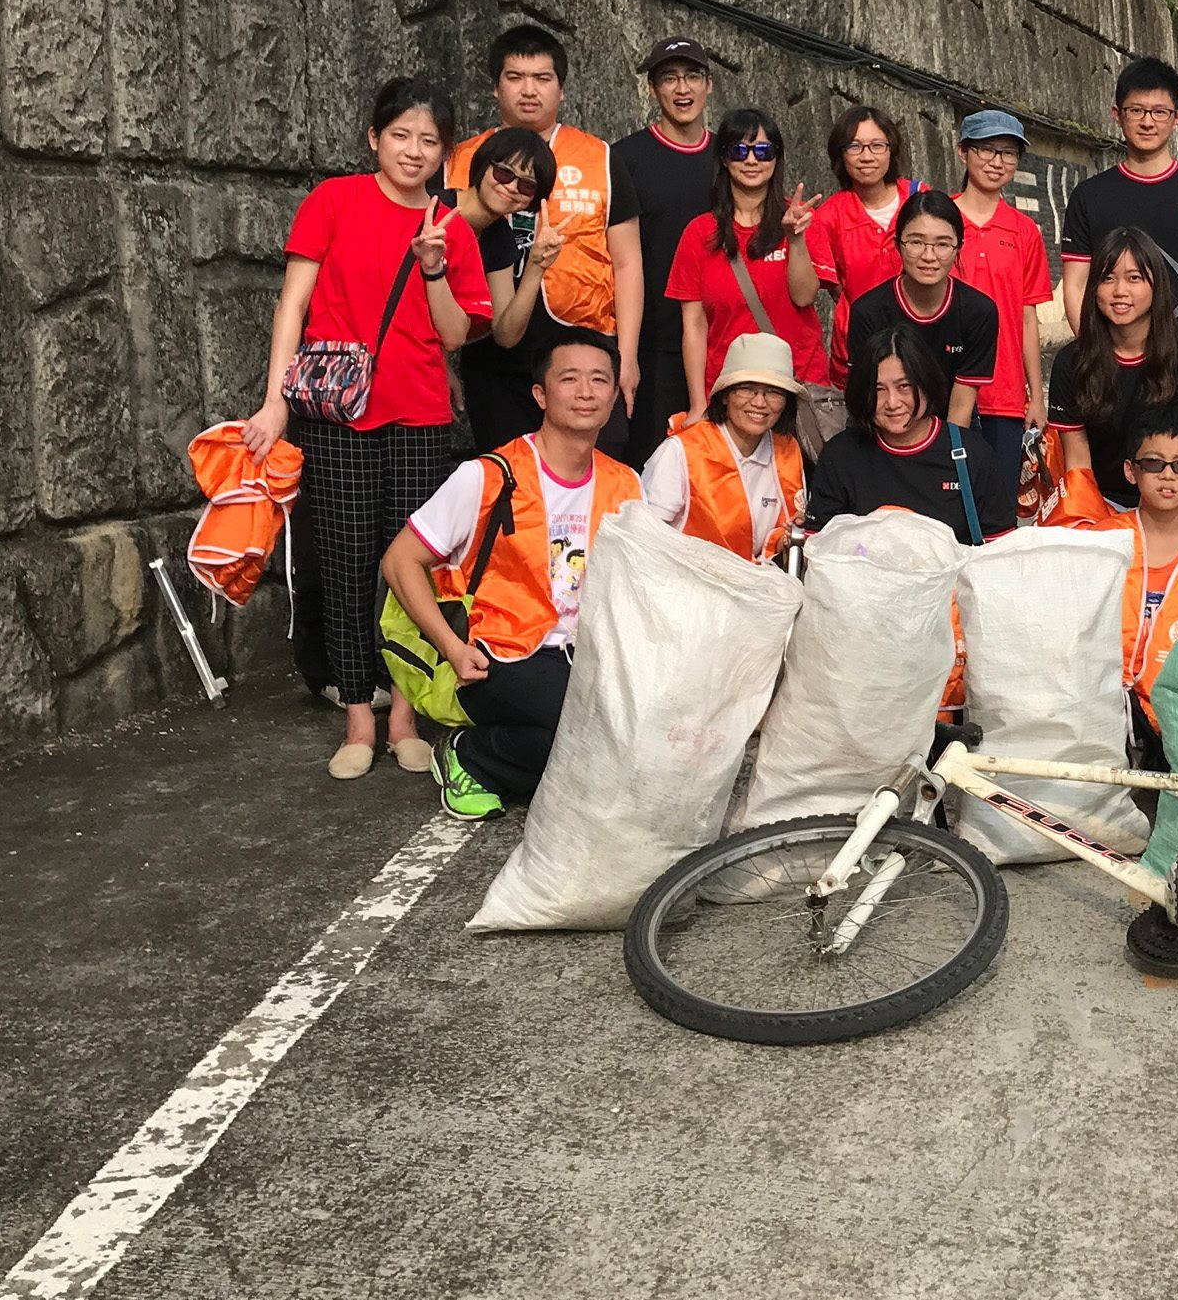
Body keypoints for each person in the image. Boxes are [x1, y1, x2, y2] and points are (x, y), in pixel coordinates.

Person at [247, 78, 491, 781]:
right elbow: (293, 305)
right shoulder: (333, 202)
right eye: (401, 136)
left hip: (421, 415)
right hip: (338, 416)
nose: (413, 152)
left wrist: (436, 268)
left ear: (446, 155)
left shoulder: (450, 228)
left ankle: (407, 715)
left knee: (409, 567)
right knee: (348, 562)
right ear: (373, 139)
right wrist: (275, 403)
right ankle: (359, 713)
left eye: (429, 141)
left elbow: (452, 336)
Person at [381, 333, 640, 820]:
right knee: (589, 725)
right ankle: (471, 759)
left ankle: (482, 750)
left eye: (599, 379)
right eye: (569, 378)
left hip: (583, 652)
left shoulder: (625, 483)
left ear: (614, 395)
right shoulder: (489, 475)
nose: (586, 391)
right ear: (541, 395)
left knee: (616, 743)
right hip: (498, 649)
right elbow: (399, 561)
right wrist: (452, 649)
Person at [446, 26, 623, 448]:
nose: (529, 91)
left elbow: (629, 262)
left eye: (542, 79)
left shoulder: (599, 155)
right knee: (505, 472)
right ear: (495, 88)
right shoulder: (458, 163)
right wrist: (441, 363)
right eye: (515, 78)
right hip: (486, 350)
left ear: (561, 89)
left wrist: (627, 357)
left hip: (582, 336)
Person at [1061, 58, 1178, 420]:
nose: (1147, 122)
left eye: (1160, 111)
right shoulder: (1090, 196)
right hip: (1109, 372)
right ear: (1117, 113)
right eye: (1137, 110)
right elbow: (1076, 283)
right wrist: (1096, 352)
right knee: (1108, 475)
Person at [1061, 410, 1178, 781]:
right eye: (1153, 463)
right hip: (1102, 709)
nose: (1167, 475)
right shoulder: (1101, 542)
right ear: (1130, 470)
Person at [666, 107, 825, 428]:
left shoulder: (801, 222)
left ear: (777, 158)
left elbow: (805, 297)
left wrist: (795, 240)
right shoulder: (700, 233)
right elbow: (694, 326)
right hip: (730, 392)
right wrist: (698, 402)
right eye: (739, 150)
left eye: (763, 151)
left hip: (793, 388)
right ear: (723, 158)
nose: (751, 160)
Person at [1046, 225, 1178, 517]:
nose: (1120, 291)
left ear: (1156, 286)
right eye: (1107, 279)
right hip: (1099, 496)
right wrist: (1097, 524)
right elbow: (1077, 462)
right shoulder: (1071, 362)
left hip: (1170, 491)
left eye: (1134, 278)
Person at [607, 36, 719, 464]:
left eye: (692, 76)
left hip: (721, 339)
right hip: (653, 343)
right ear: (653, 89)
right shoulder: (624, 159)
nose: (682, 89)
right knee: (649, 466)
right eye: (669, 78)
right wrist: (626, 353)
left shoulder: (730, 160)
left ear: (709, 85)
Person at [807, 325, 1015, 546]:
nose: (893, 403)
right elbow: (818, 550)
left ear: (926, 382)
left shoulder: (971, 455)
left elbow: (1000, 554)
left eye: (904, 386)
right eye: (878, 389)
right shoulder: (841, 456)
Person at [638, 331, 806, 565]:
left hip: (759, 588)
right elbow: (643, 538)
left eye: (774, 393)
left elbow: (777, 534)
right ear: (725, 395)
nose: (759, 402)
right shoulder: (681, 451)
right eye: (747, 388)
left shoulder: (788, 450)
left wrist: (785, 541)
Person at [949, 110, 1054, 471]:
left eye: (1008, 153)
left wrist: (1035, 397)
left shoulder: (1024, 231)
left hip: (1005, 396)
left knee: (999, 512)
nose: (997, 162)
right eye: (986, 150)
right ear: (963, 152)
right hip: (944, 390)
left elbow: (1027, 317)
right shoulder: (938, 220)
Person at [842, 190, 1001, 426]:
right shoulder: (868, 311)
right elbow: (869, 396)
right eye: (916, 242)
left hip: (949, 425)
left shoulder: (978, 311)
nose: (929, 256)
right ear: (898, 244)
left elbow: (960, 408)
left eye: (942, 244)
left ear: (959, 247)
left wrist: (942, 457)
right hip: (881, 423)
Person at [446, 126, 561, 449]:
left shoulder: (498, 238)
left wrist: (536, 266)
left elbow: (506, 333)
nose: (511, 188)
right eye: (503, 173)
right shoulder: (435, 210)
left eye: (526, 185)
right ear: (483, 165)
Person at [809, 105, 922, 401]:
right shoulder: (828, 216)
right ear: (840, 154)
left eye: (877, 145)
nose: (867, 156)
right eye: (854, 146)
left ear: (891, 150)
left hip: (920, 346)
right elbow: (835, 288)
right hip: (857, 351)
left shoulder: (919, 200)